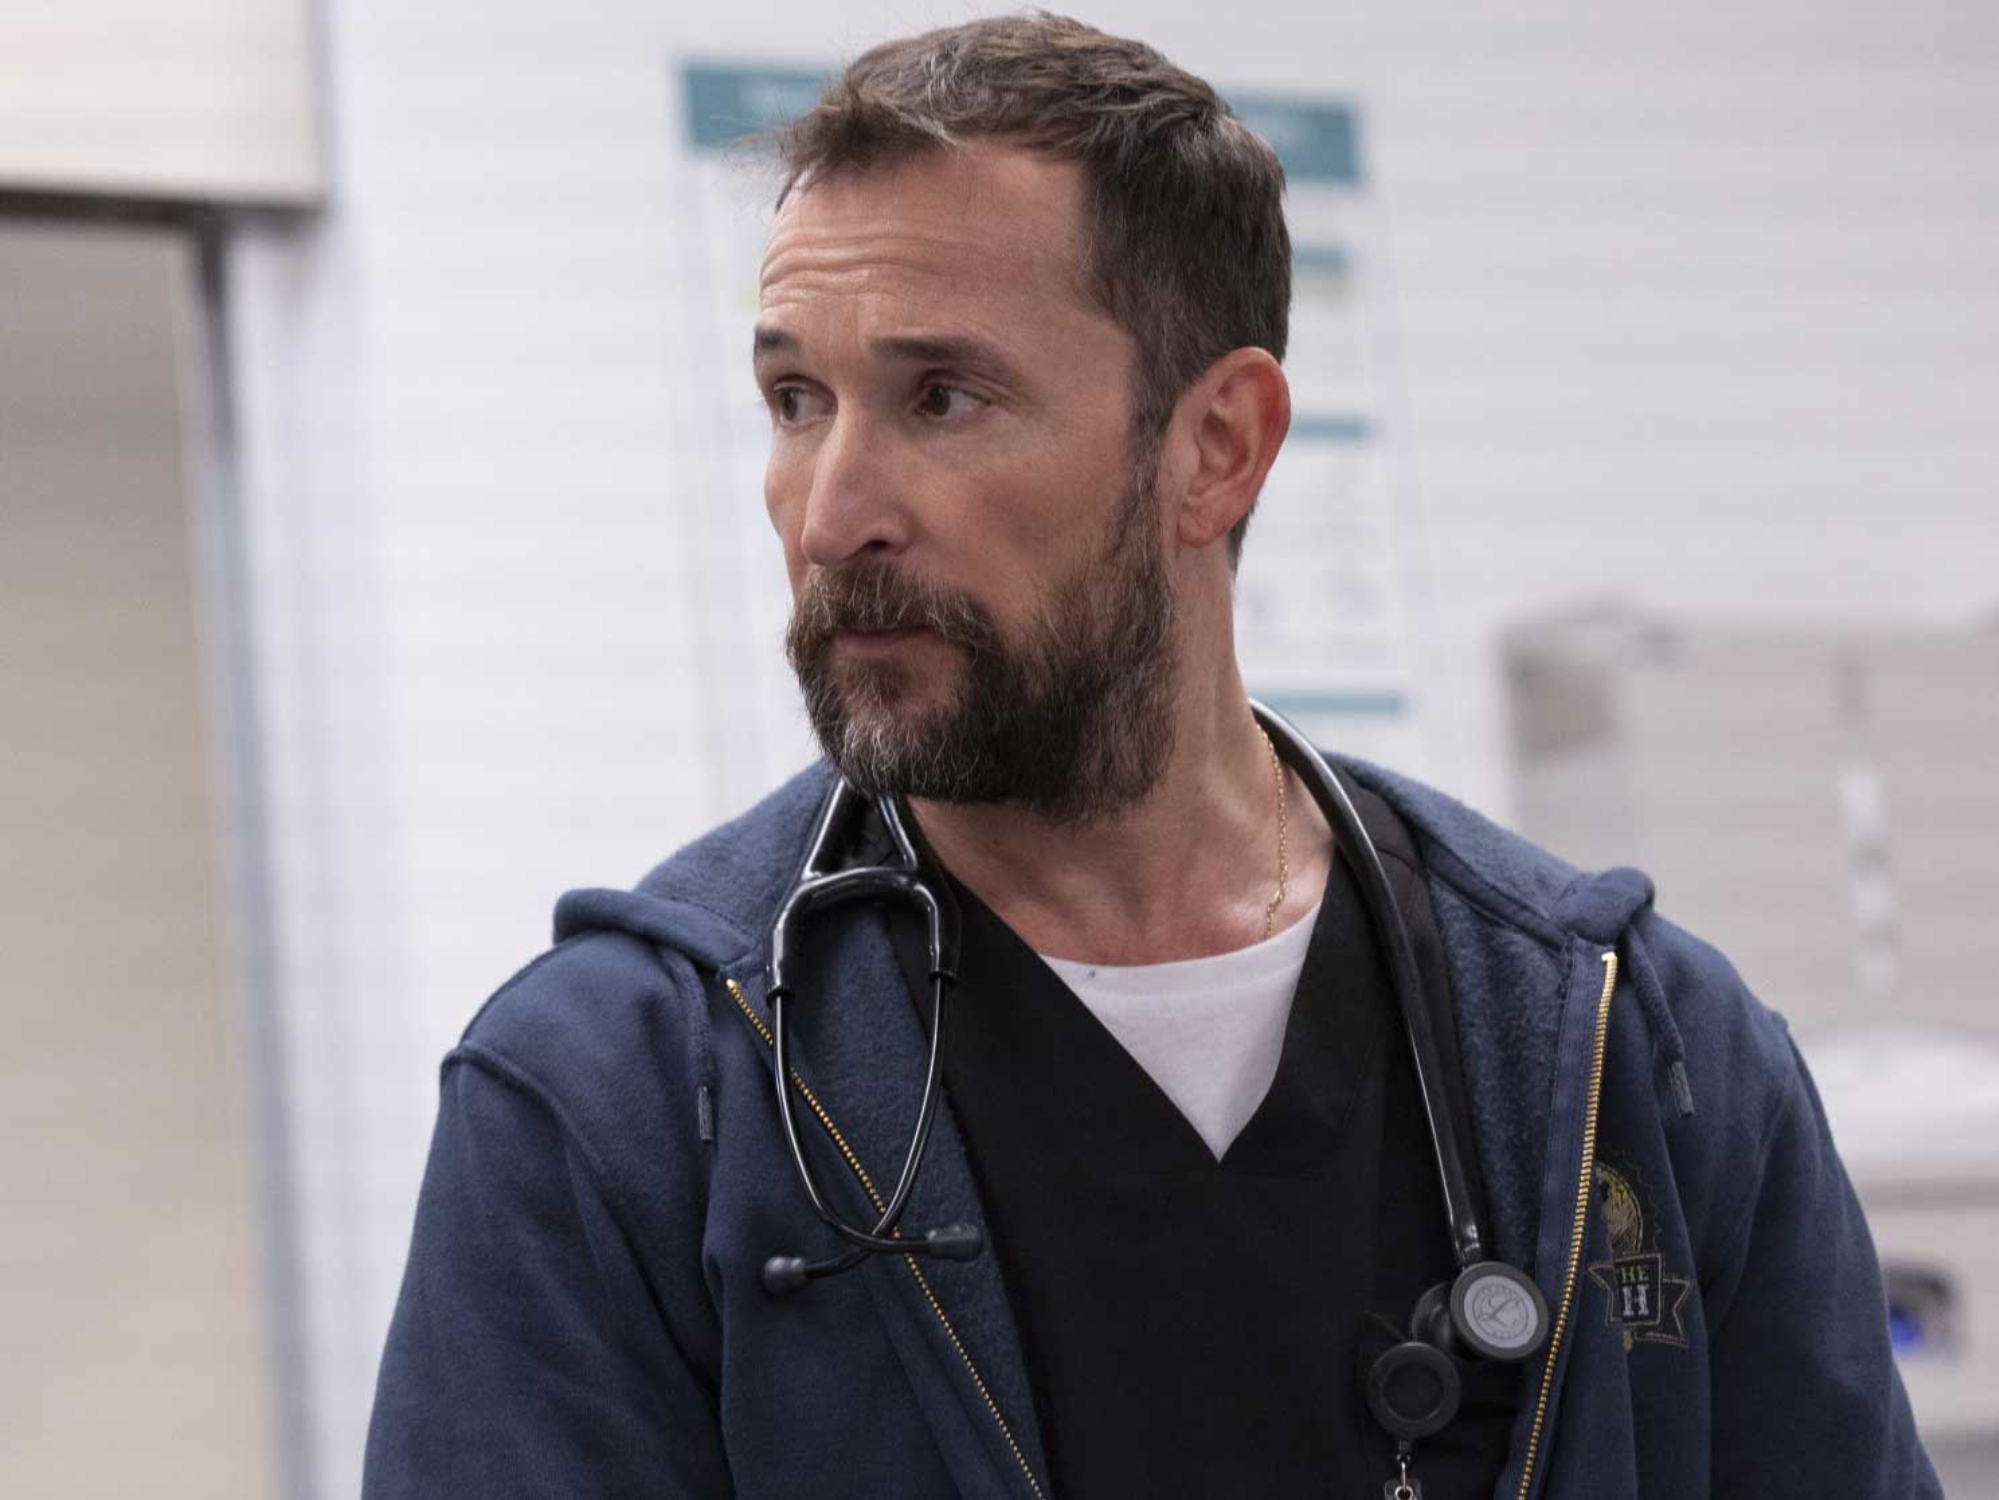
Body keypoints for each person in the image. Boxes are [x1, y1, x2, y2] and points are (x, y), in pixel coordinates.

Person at [363, 14, 1939, 1499]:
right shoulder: (620, 1097)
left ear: (1217, 448)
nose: (832, 514)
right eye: (795, 399)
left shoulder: (1637, 1055)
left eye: (943, 397)